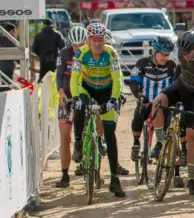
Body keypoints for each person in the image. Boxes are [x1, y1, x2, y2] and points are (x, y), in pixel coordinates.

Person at [151, 30, 194, 195]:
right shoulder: (181, 54)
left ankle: (191, 178)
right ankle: (160, 142)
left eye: (188, 52)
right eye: (182, 52)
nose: (184, 55)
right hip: (181, 86)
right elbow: (178, 70)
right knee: (157, 102)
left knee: (193, 136)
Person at [70, 22, 125, 197]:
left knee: (110, 133)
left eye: (101, 39)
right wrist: (76, 96)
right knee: (79, 106)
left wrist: (113, 99)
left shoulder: (111, 53)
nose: (98, 43)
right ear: (88, 40)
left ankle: (115, 179)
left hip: (106, 91)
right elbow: (74, 78)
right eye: (94, 40)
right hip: (87, 88)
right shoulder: (81, 53)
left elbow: (117, 80)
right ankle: (78, 144)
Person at [129, 37, 177, 163]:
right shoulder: (142, 63)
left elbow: (177, 84)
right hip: (147, 101)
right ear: (154, 51)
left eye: (168, 55)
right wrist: (139, 95)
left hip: (163, 103)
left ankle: (159, 144)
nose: (165, 58)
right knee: (139, 114)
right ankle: (136, 144)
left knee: (168, 119)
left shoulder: (172, 66)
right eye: (163, 55)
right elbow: (133, 82)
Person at [54, 25, 88, 188]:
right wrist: (61, 93)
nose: (77, 49)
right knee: (65, 135)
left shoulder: (91, 54)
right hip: (67, 95)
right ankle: (64, 173)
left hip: (86, 94)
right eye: (74, 46)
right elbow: (59, 76)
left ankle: (88, 158)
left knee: (88, 129)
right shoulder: (64, 53)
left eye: (80, 46)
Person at [32, 18, 66, 83]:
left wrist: (40, 55)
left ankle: (41, 91)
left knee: (42, 77)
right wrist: (58, 55)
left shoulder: (39, 35)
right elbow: (63, 47)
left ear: (43, 25)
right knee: (54, 77)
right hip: (54, 59)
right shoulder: (57, 34)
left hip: (43, 59)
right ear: (52, 24)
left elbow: (34, 48)